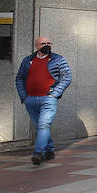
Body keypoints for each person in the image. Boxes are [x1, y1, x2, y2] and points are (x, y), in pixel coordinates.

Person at [16, 36, 72, 165]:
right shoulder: (27, 60)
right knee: (39, 127)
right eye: (43, 43)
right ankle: (50, 149)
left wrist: (55, 94)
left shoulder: (58, 59)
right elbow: (19, 78)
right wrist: (24, 96)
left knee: (44, 125)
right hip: (30, 99)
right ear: (36, 46)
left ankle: (38, 152)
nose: (47, 45)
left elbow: (67, 77)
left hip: (48, 98)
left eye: (49, 43)